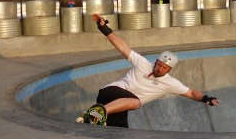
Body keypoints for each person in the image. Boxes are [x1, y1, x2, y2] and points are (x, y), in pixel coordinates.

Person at [83, 14, 219, 127]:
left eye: (164, 68)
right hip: (110, 92)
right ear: (155, 62)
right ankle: (98, 112)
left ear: (169, 70)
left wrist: (206, 98)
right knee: (136, 103)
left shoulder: (170, 83)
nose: (160, 69)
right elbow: (123, 48)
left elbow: (191, 93)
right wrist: (104, 28)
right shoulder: (143, 63)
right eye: (159, 65)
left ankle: (94, 118)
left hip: (119, 106)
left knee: (120, 134)